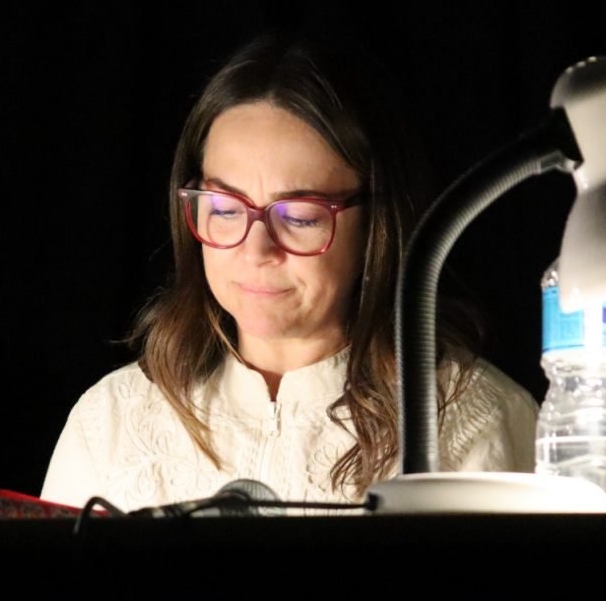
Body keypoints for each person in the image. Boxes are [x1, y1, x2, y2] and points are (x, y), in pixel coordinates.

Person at [41, 32, 538, 513]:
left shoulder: (479, 420)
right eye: (225, 208)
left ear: (376, 224)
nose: (256, 250)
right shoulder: (110, 421)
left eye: (299, 217)